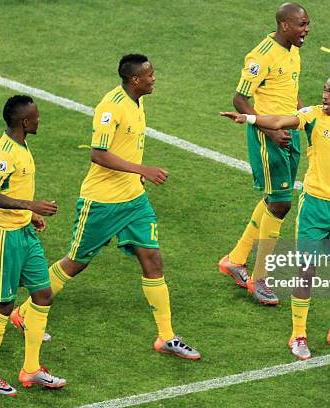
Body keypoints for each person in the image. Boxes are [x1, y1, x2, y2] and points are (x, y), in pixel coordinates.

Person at [11, 54, 200, 360]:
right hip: (101, 202)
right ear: (135, 79)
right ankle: (23, 313)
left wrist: (137, 178)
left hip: (134, 200)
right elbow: (98, 154)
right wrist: (142, 169)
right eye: (150, 75)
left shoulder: (138, 101)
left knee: (153, 259)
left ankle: (166, 336)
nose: (154, 78)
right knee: (76, 261)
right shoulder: (111, 107)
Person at [221, 73, 330, 359]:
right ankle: (298, 336)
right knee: (306, 272)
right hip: (314, 207)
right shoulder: (313, 115)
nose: (325, 96)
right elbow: (280, 121)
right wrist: (251, 119)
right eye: (324, 90)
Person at [218, 2, 310, 306]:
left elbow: (289, 88)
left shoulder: (293, 49)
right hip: (267, 135)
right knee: (281, 203)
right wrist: (270, 131)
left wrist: (303, 117)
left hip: (289, 132)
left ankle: (235, 260)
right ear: (285, 25)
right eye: (301, 25)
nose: (306, 30)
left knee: (275, 200)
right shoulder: (261, 55)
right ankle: (259, 278)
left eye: (307, 24)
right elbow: (240, 98)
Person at [0, 95, 67, 396]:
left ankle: (31, 370)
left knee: (42, 294)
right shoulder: (5, 152)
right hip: (5, 238)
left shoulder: (22, 145)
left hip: (24, 234)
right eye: (36, 117)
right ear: (24, 122)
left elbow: (13, 189)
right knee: (3, 305)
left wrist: (29, 216)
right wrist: (30, 205)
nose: (40, 120)